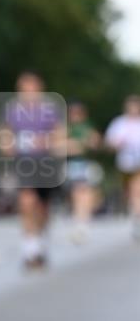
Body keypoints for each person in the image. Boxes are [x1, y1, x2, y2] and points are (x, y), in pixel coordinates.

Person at [0, 72, 66, 269]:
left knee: (43, 208)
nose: (28, 93)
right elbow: (4, 133)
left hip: (46, 163)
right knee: (27, 202)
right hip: (24, 162)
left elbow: (60, 135)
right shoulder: (12, 110)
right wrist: (6, 145)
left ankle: (41, 240)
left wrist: (43, 142)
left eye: (32, 88)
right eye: (24, 89)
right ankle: (30, 250)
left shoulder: (50, 110)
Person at [65, 101, 102, 242]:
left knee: (84, 192)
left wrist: (80, 145)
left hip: (85, 165)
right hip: (72, 165)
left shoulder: (87, 127)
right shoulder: (67, 128)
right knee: (76, 194)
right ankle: (79, 220)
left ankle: (83, 221)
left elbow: (95, 143)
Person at [105, 94, 140, 240]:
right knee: (129, 194)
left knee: (137, 191)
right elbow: (109, 143)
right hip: (125, 164)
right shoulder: (119, 123)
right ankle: (135, 216)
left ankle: (138, 222)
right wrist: (116, 144)